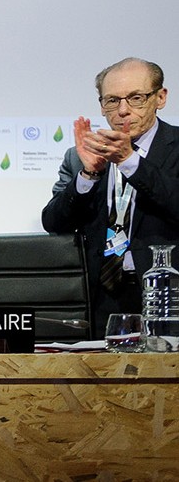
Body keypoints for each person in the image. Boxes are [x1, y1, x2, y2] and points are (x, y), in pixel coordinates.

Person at [43, 57, 178, 329]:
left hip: (166, 292)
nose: (123, 110)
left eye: (136, 98)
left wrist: (129, 160)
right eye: (112, 101)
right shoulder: (80, 156)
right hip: (101, 294)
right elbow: (54, 223)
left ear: (160, 98)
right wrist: (88, 175)